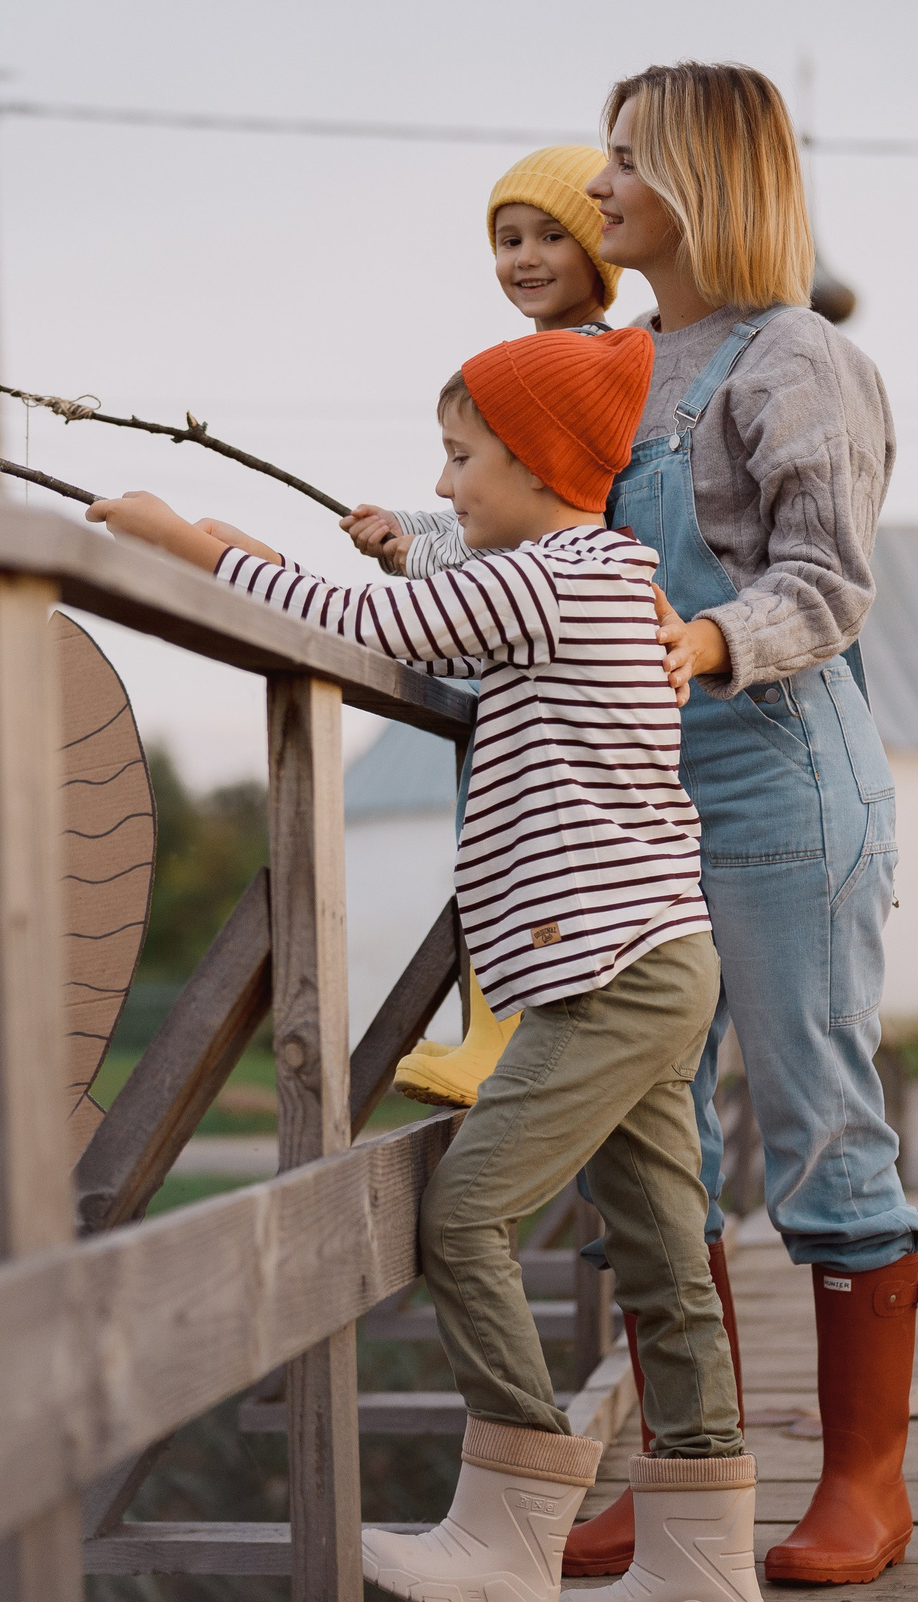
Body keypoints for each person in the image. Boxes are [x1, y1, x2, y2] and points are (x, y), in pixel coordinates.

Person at [88, 328, 769, 1602]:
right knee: (663, 1263)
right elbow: (412, 606)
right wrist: (264, 549)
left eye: (461, 457)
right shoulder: (606, 577)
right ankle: (707, 1570)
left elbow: (365, 622)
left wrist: (187, 543)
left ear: (536, 462)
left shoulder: (549, 582)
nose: (445, 484)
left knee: (464, 1210)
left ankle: (511, 1525)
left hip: (608, 978)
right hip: (643, 964)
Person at [558, 61, 918, 1592]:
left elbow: (829, 586)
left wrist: (706, 643)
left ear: (704, 180)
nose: (597, 187)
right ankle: (688, 1473)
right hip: (646, 791)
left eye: (626, 158)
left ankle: (867, 1480)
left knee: (817, 1116)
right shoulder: (613, 365)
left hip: (782, 776)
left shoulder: (804, 361)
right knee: (653, 1135)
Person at [336, 144, 626, 1113]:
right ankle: (491, 1036)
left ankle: (502, 1043)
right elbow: (487, 515)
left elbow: (532, 535)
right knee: (493, 850)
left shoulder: (574, 375)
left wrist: (419, 553)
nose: (525, 256)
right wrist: (410, 533)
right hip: (525, 645)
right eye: (508, 239)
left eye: (552, 235)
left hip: (545, 663)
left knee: (513, 855)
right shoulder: (533, 371)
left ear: (602, 252)